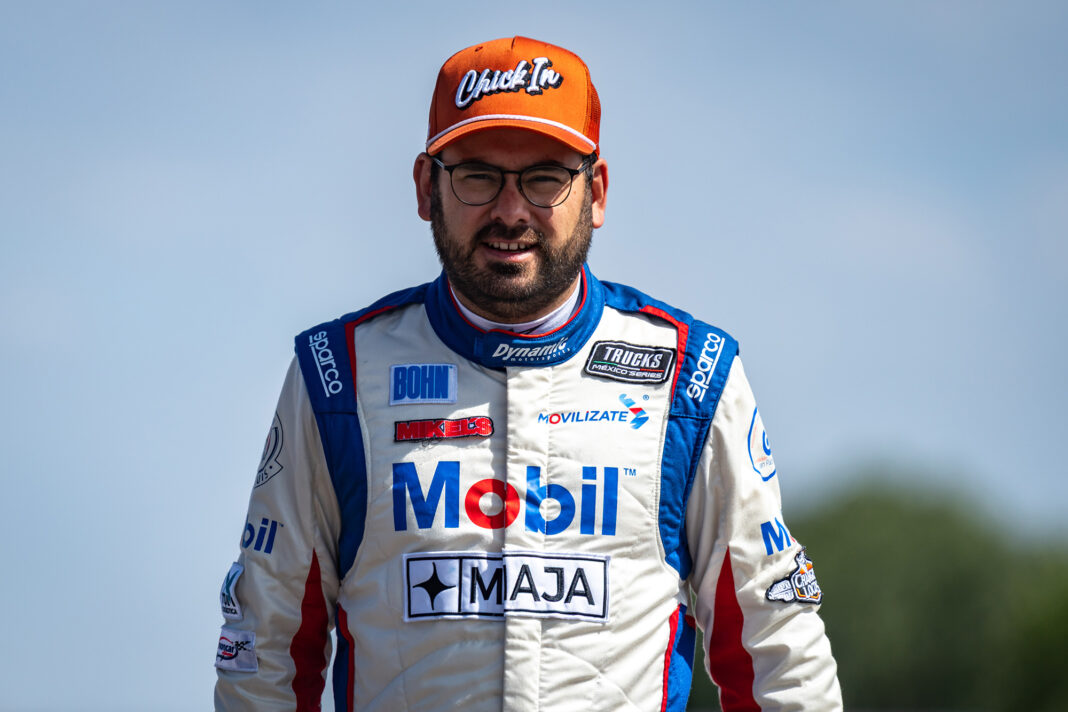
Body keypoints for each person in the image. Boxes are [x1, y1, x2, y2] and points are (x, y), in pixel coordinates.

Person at [214, 36, 843, 712]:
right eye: (478, 176)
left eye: (544, 178)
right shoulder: (337, 376)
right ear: (427, 188)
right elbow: (265, 649)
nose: (511, 212)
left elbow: (778, 650)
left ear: (595, 192)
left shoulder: (691, 376)